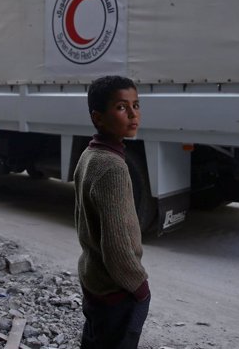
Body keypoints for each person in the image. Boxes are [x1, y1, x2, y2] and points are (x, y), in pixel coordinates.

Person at [73, 75, 150, 349]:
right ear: (98, 117)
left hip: (94, 280)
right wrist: (139, 287)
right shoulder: (113, 168)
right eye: (121, 107)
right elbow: (116, 246)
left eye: (136, 105)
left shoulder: (89, 155)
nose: (133, 115)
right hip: (115, 289)